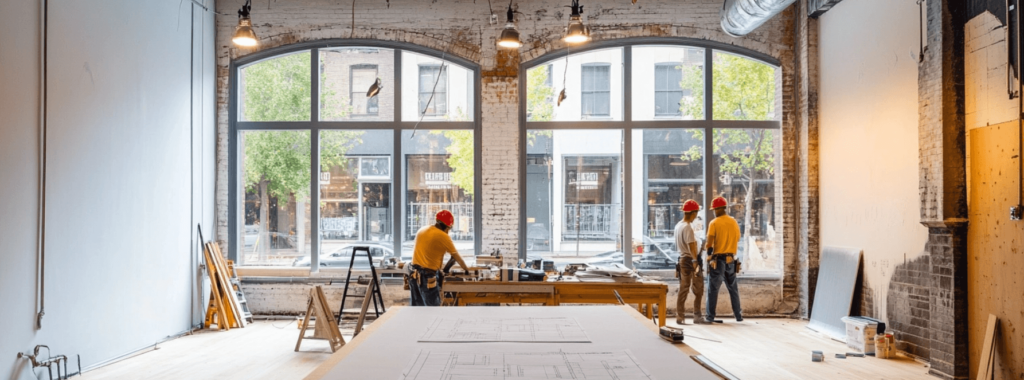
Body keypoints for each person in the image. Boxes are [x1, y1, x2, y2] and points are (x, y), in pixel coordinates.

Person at [409, 210, 473, 306]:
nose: (449, 231)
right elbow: (457, 257)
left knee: (418, 311)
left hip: (413, 275)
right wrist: (467, 270)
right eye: (449, 228)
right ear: (446, 226)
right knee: (434, 312)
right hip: (427, 277)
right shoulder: (443, 236)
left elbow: (428, 252)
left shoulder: (422, 230)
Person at [704, 196, 743, 322]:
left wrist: (709, 255)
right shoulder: (733, 222)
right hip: (731, 260)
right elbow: (737, 238)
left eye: (714, 209)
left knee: (713, 289)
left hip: (718, 260)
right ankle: (738, 315)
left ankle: (710, 317)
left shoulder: (714, 223)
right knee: (733, 289)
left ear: (718, 209)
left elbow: (709, 243)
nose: (714, 212)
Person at [674, 199, 708, 325]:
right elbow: (691, 246)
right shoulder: (687, 227)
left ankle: (680, 316)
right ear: (693, 213)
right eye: (696, 213)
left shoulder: (678, 225)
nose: (696, 216)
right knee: (698, 288)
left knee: (683, 288)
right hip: (691, 261)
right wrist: (695, 261)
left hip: (682, 260)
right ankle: (697, 316)